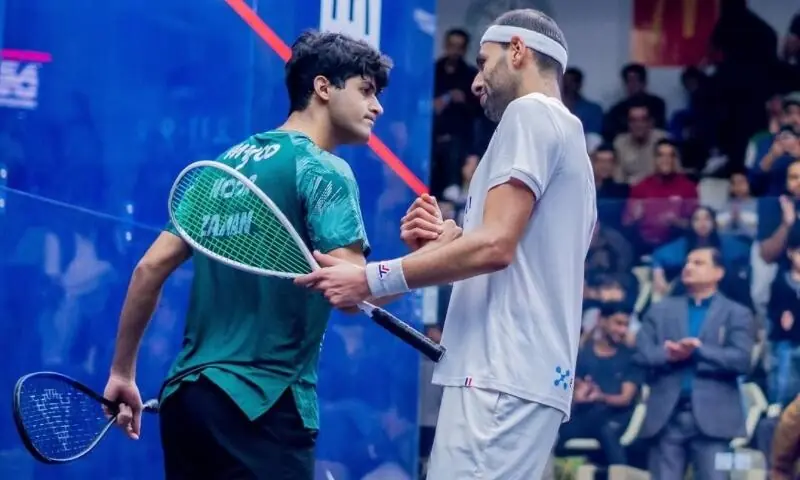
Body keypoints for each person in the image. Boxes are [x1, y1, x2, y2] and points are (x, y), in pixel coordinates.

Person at [296, 8, 597, 479]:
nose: (477, 82)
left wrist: (369, 279)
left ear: (517, 51)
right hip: (520, 378)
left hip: (499, 376)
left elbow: (496, 247)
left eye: (483, 62)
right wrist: (446, 242)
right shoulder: (571, 141)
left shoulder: (530, 113)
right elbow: (513, 253)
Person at [101, 31, 399, 480]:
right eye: (365, 90)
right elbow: (354, 294)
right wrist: (431, 261)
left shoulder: (226, 165)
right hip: (265, 403)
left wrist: (122, 371)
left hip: (187, 400)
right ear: (322, 88)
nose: (377, 107)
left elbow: (148, 269)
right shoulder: (323, 168)